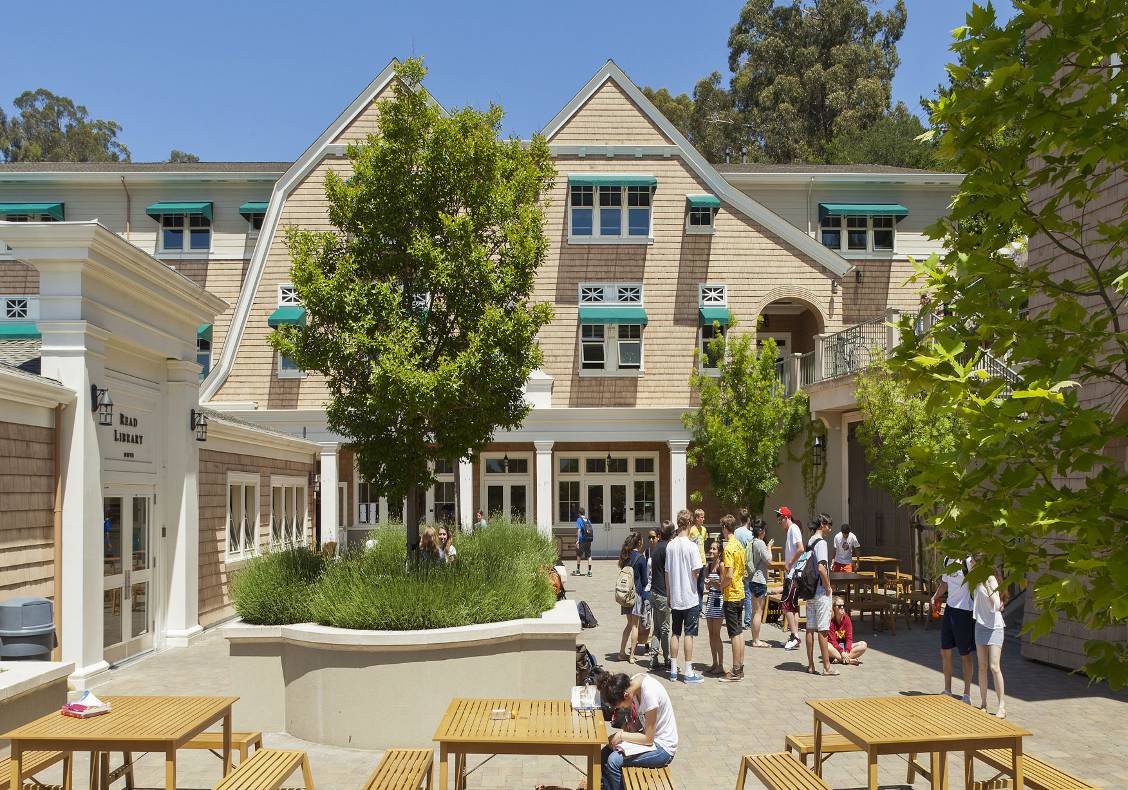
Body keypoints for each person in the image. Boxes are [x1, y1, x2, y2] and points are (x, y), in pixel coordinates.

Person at [594, 672, 677, 790]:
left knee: (613, 761)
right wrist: (634, 726)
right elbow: (645, 718)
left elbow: (648, 739)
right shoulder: (633, 683)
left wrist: (622, 735)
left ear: (626, 695)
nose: (623, 708)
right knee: (604, 753)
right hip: (650, 741)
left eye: (621, 707)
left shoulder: (649, 694)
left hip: (663, 748)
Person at [932, 554, 976, 703]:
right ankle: (947, 690)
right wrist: (935, 596)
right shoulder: (947, 560)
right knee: (945, 650)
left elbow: (979, 581)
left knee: (965, 653)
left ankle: (967, 694)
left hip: (964, 611)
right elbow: (945, 584)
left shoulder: (967, 561)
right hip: (949, 609)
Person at [972, 556, 1007, 718]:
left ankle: (1001, 706)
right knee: (982, 666)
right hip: (980, 625)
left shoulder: (991, 579)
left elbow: (997, 604)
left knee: (994, 667)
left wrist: (987, 585)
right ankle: (983, 704)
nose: (973, 566)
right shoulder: (974, 581)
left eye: (975, 564)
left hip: (994, 627)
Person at [804, 515, 837, 675]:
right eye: (828, 525)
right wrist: (828, 587)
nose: (830, 528)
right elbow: (822, 568)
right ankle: (826, 667)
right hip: (820, 591)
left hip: (809, 590)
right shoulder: (821, 543)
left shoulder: (810, 541)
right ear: (822, 525)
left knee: (810, 628)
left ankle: (811, 665)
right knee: (823, 630)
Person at [717, 515, 746, 682]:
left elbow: (728, 574)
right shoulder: (739, 545)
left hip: (731, 594)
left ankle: (735, 670)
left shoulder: (728, 548)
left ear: (724, 528)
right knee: (739, 632)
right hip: (740, 592)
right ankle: (740, 667)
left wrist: (721, 586)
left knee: (734, 634)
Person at [647, 522, 673, 675]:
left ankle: (653, 659)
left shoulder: (656, 548)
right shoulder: (667, 548)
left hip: (654, 591)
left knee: (657, 628)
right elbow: (668, 572)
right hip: (663, 593)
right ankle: (667, 659)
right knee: (664, 629)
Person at [617, 533, 647, 664]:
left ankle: (621, 652)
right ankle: (632, 656)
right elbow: (645, 580)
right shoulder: (641, 557)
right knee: (635, 625)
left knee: (629, 624)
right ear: (639, 542)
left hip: (625, 594)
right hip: (636, 594)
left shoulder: (625, 556)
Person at [777, 506, 804, 650]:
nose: (779, 522)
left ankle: (795, 636)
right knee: (792, 606)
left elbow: (801, 548)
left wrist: (789, 563)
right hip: (792, 573)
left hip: (793, 573)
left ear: (786, 518)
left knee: (785, 605)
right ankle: (795, 636)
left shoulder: (793, 529)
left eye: (780, 518)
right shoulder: (790, 531)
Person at [745, 519, 773, 648]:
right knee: (758, 612)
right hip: (759, 580)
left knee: (754, 611)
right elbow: (769, 560)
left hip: (752, 579)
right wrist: (769, 547)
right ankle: (756, 640)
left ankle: (754, 638)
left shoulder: (752, 542)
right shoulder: (760, 543)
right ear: (761, 531)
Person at [701, 538, 725, 676]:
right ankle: (714, 662)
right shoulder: (708, 566)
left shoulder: (721, 565)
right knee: (711, 634)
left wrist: (713, 583)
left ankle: (720, 664)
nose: (711, 551)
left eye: (714, 549)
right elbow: (707, 587)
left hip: (719, 600)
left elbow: (723, 586)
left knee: (717, 634)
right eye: (710, 548)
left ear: (719, 552)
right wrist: (707, 583)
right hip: (710, 599)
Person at [828, 596, 867, 664]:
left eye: (843, 605)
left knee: (863, 644)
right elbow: (832, 641)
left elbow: (849, 639)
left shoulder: (847, 618)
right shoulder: (830, 621)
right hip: (834, 648)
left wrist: (847, 651)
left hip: (845, 647)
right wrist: (841, 652)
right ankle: (849, 660)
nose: (842, 607)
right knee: (826, 645)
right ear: (833, 607)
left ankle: (841, 659)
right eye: (839, 606)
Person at [733, 509, 755, 627]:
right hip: (747, 565)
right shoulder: (750, 534)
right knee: (747, 593)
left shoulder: (736, 532)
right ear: (748, 519)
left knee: (737, 591)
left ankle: (737, 618)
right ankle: (747, 620)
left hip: (737, 564)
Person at [688, 509, 708, 598]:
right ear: (697, 518)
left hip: (702, 560)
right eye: (702, 517)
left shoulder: (704, 530)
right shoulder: (691, 529)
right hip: (694, 560)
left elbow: (703, 542)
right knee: (694, 583)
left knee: (701, 585)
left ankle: (700, 605)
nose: (703, 519)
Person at [574, 507, 594, 577]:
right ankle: (590, 571)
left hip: (582, 540)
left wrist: (578, 540)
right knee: (589, 556)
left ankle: (578, 570)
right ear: (584, 513)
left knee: (579, 555)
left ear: (579, 513)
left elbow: (579, 530)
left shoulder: (579, 519)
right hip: (588, 540)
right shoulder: (588, 520)